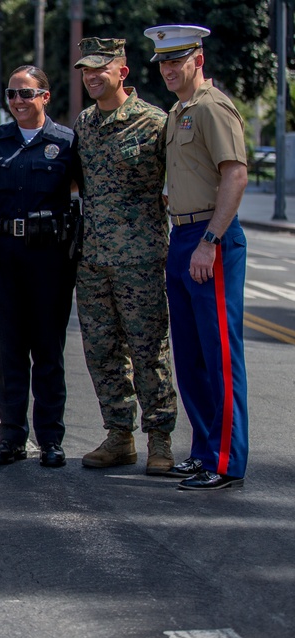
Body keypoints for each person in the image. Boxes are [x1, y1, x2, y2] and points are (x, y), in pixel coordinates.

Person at [144, 25, 249, 490]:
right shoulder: (179, 111)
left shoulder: (212, 107)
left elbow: (236, 175)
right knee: (190, 358)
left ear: (197, 58)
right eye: (162, 62)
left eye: (176, 59)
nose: (168, 69)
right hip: (183, 236)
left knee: (220, 356)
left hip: (212, 238)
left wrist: (210, 239)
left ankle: (226, 462)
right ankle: (204, 450)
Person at [72, 38, 178, 475]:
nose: (92, 76)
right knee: (102, 351)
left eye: (101, 68)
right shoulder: (84, 124)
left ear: (122, 72)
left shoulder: (155, 123)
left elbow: (180, 181)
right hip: (93, 259)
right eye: (86, 70)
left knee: (149, 350)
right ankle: (119, 436)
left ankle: (160, 440)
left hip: (141, 259)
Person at [0, 66, 80, 468]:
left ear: (45, 96)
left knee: (48, 350)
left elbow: (82, 188)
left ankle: (51, 440)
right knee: (9, 352)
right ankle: (11, 439)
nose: (18, 102)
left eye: (27, 94)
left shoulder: (66, 142)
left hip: (49, 257)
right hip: (3, 253)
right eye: (12, 94)